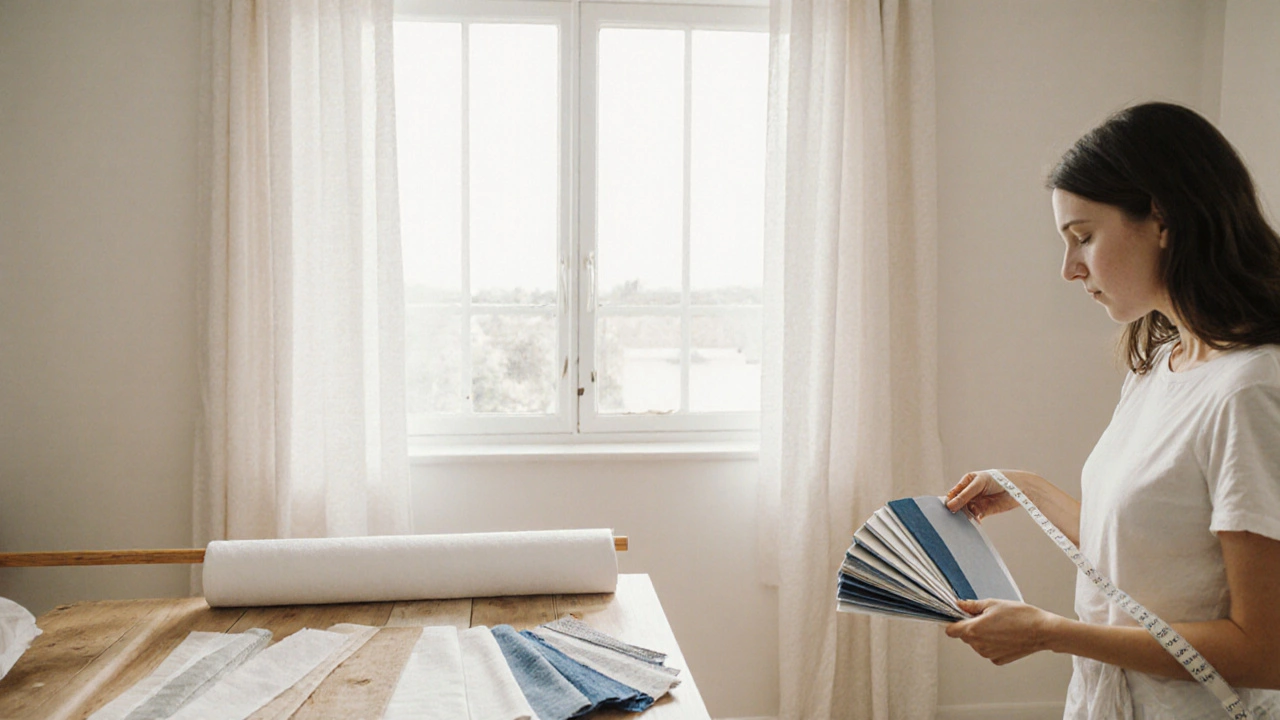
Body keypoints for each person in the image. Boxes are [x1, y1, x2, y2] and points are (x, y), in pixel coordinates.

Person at [942, 102, 1280, 719]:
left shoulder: (1248, 392)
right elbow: (1144, 553)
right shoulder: (1162, 366)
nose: (1070, 269)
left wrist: (1050, 632)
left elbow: (1265, 650)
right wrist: (1030, 490)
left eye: (1084, 238)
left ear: (1164, 220)